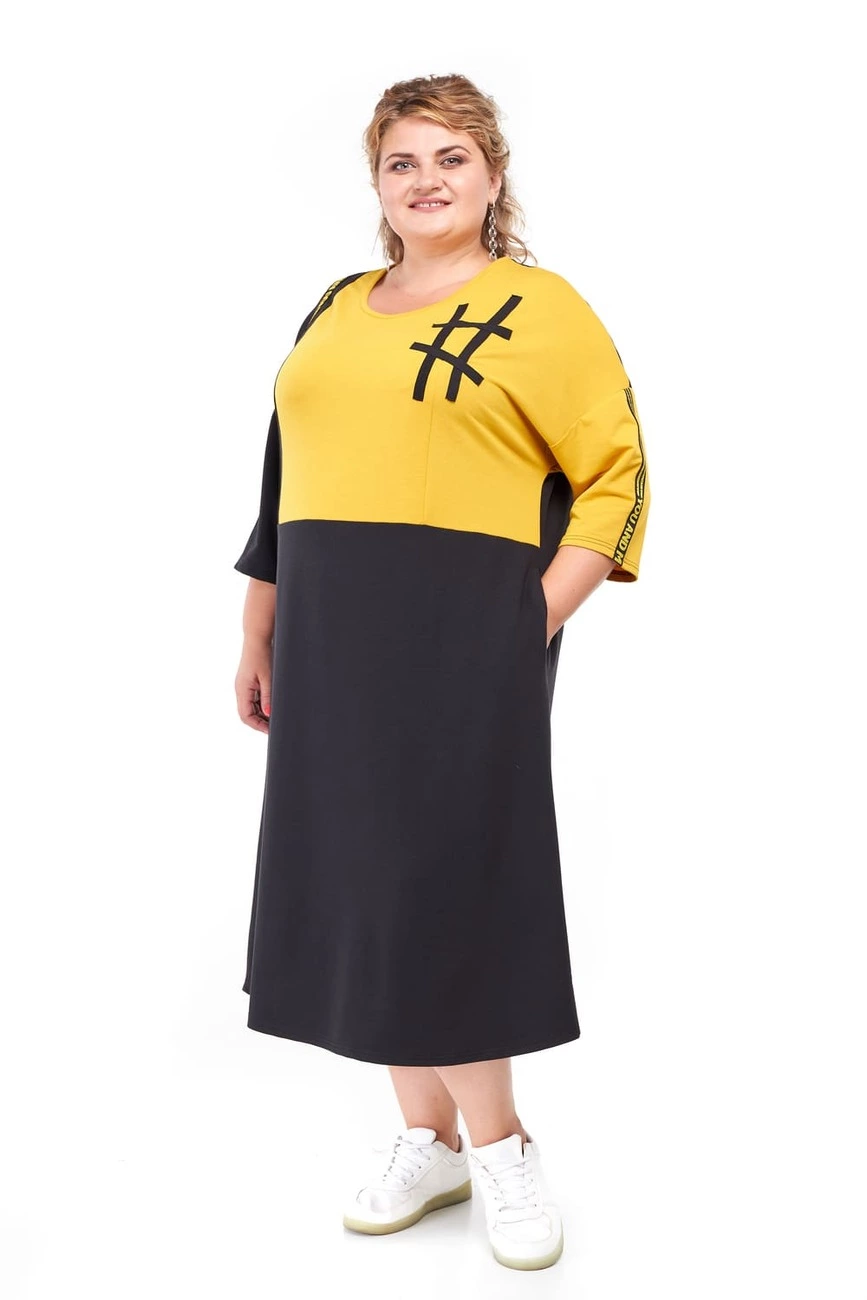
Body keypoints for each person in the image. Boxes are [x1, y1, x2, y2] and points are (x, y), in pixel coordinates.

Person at [233, 72, 650, 1272]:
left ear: (492, 175)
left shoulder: (541, 309)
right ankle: (430, 1139)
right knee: (361, 879)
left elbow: (616, 477)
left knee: (447, 880)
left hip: (462, 634)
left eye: (450, 158)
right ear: (377, 184)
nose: (427, 181)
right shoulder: (335, 306)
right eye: (403, 162)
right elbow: (284, 477)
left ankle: (504, 1145)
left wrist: (529, 623)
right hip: (329, 632)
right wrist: (259, 631)